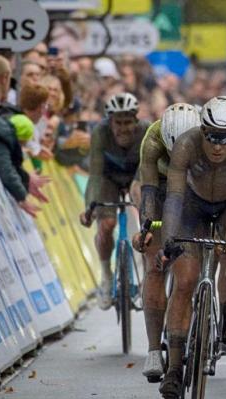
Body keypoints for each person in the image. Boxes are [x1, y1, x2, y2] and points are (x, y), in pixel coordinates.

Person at [157, 96, 226, 399]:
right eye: (212, 136)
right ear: (202, 130)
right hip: (192, 206)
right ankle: (174, 369)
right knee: (185, 281)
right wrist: (168, 243)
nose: (218, 145)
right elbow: (174, 198)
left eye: (225, 138)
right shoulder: (186, 145)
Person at [133, 103, 201, 381]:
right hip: (161, 188)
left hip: (196, 187)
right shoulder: (152, 138)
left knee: (188, 272)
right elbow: (148, 191)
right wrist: (147, 226)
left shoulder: (204, 136)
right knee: (155, 264)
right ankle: (152, 350)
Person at [80, 93, 150, 310]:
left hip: (136, 176)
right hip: (109, 178)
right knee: (107, 224)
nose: (123, 128)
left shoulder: (146, 132)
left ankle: (150, 280)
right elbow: (95, 174)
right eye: (117, 123)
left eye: (128, 122)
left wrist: (144, 206)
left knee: (149, 221)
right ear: (109, 122)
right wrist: (90, 207)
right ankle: (107, 275)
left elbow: (146, 171)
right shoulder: (100, 133)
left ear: (136, 121)